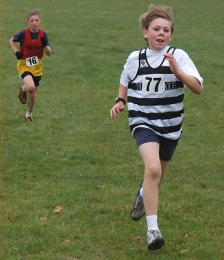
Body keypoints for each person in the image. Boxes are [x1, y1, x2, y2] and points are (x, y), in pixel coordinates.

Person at [110, 4, 203, 251]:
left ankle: (143, 194)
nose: (161, 33)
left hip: (171, 125)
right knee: (151, 168)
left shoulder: (179, 56)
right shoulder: (135, 58)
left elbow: (198, 88)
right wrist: (121, 100)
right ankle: (153, 231)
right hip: (143, 120)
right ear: (145, 32)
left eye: (166, 30)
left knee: (156, 176)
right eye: (156, 29)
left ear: (171, 34)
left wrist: (178, 72)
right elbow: (125, 79)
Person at [9, 10, 51, 121]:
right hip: (24, 66)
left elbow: (48, 53)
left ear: (40, 21)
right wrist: (16, 52)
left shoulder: (43, 35)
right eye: (32, 21)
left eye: (37, 20)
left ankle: (29, 113)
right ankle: (25, 87)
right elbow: (11, 40)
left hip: (37, 68)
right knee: (31, 87)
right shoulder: (23, 33)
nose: (34, 23)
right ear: (28, 22)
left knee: (32, 93)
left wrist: (46, 47)